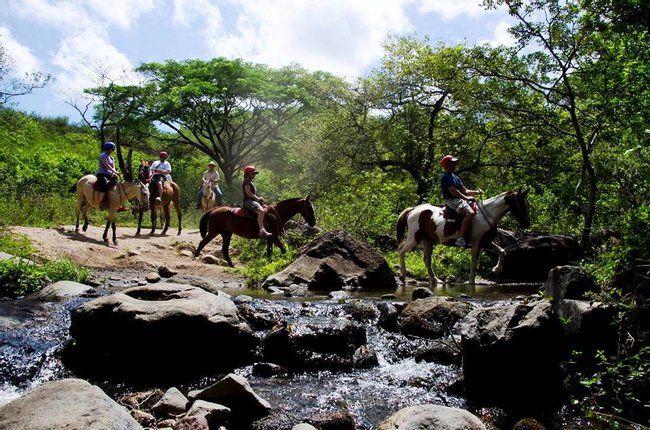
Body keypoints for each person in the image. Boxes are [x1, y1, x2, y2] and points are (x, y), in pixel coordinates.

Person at [440, 154, 483, 247]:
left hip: (458, 199)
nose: (455, 165)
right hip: (451, 200)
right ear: (447, 165)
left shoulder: (455, 177)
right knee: (470, 213)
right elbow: (453, 191)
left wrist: (476, 192)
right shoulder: (445, 177)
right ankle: (460, 238)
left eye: (455, 163)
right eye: (453, 163)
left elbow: (465, 190)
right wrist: (466, 198)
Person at [96, 142, 128, 212]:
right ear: (107, 149)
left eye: (112, 150)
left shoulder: (112, 158)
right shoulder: (102, 155)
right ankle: (101, 203)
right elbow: (107, 165)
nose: (111, 151)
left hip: (110, 175)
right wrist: (115, 172)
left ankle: (120, 205)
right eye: (110, 149)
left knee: (120, 186)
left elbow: (113, 167)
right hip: (102, 174)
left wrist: (115, 173)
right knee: (104, 186)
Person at [242, 165, 272, 238]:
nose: (254, 175)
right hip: (248, 201)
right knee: (261, 211)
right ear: (248, 174)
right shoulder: (247, 181)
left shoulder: (250, 182)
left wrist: (259, 198)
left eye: (254, 173)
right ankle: (262, 230)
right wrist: (258, 199)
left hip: (252, 200)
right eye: (253, 173)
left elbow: (252, 193)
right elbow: (248, 192)